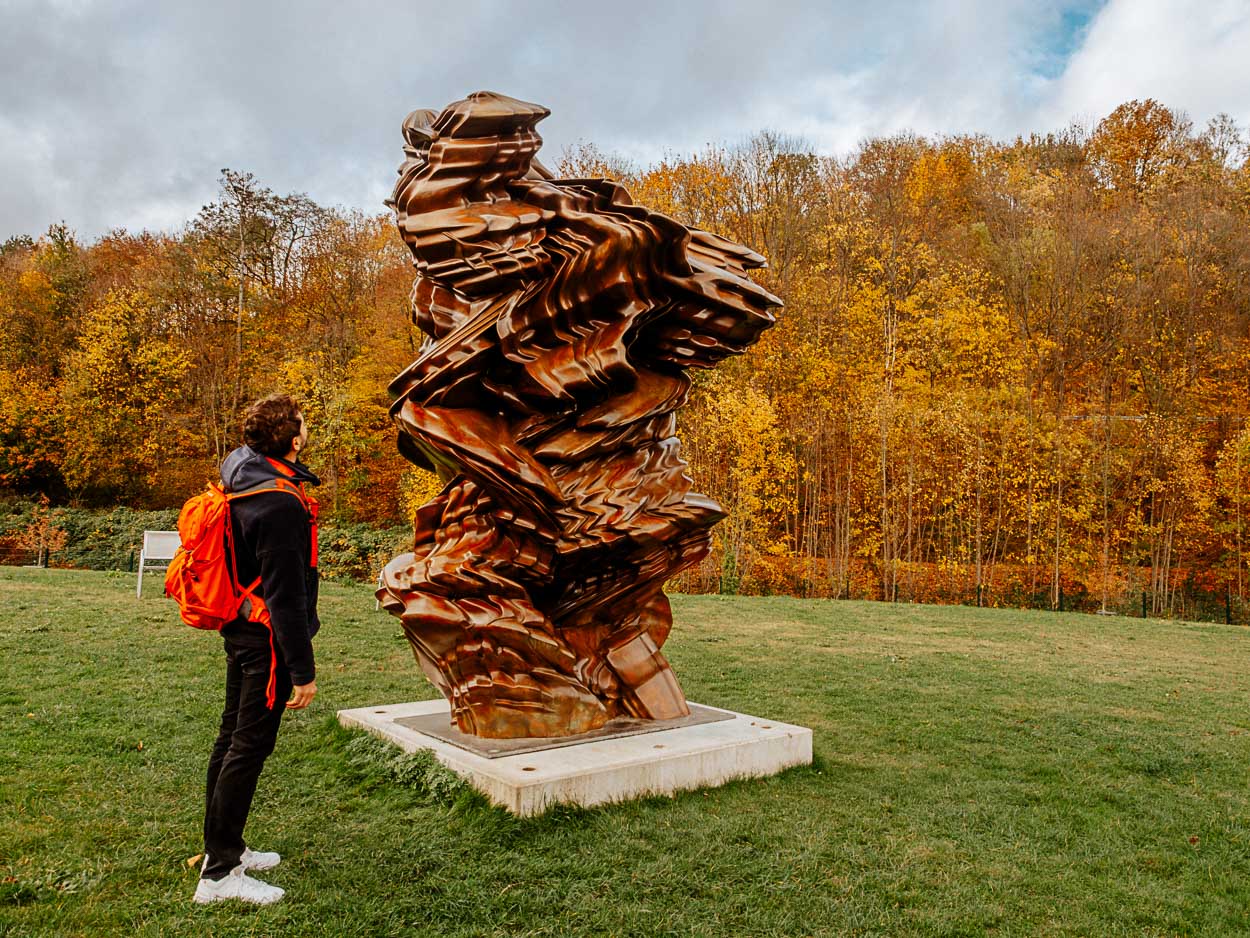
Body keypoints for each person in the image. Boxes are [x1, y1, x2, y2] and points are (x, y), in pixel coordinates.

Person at [194, 394, 321, 906]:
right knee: (247, 748)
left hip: (240, 624)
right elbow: (286, 597)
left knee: (232, 739)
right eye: (303, 424)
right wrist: (303, 670)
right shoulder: (279, 504)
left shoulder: (240, 468)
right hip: (266, 640)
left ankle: (224, 847)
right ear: (292, 440)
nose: (307, 429)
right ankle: (220, 875)